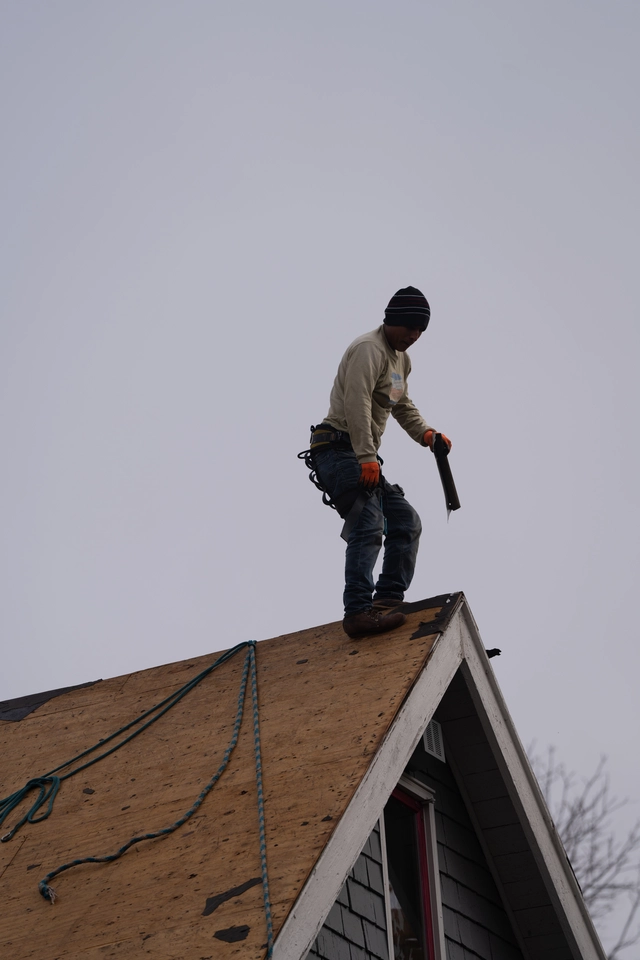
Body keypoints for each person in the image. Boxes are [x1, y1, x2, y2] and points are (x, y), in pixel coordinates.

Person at [306, 286, 451, 638]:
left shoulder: (401, 361)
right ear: (392, 321)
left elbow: (398, 403)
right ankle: (358, 612)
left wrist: (427, 434)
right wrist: (367, 457)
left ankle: (386, 601)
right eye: (409, 328)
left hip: (360, 455)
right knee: (368, 525)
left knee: (406, 521)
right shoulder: (369, 350)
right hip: (339, 451)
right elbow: (357, 405)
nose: (414, 336)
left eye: (421, 331)